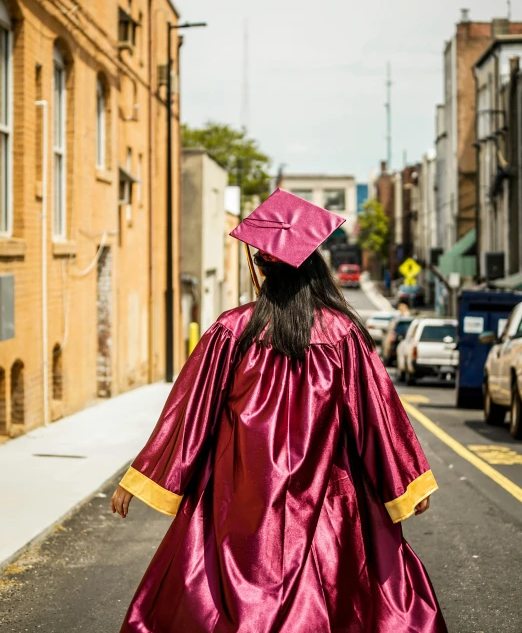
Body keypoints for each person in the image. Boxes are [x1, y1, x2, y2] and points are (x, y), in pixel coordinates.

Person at [112, 189, 448, 633]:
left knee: (219, 601)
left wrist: (144, 476)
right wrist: (404, 482)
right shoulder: (343, 335)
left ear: (261, 268)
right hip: (327, 503)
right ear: (314, 267)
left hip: (238, 501)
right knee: (332, 600)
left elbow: (189, 414)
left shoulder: (232, 332)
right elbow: (377, 420)